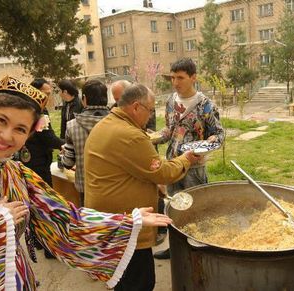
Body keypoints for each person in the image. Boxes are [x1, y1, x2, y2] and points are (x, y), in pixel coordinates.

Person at [0, 76, 172, 290]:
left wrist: (128, 221)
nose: (7, 135)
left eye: (20, 129)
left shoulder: (17, 173)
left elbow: (65, 220)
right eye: (1, 121)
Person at [84, 83, 201, 291]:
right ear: (136, 107)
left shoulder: (109, 123)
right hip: (126, 226)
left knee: (125, 279)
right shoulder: (129, 135)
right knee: (140, 282)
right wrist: (186, 159)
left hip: (111, 220)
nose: (150, 115)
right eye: (150, 109)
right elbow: (162, 172)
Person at [153, 58, 224, 260]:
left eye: (180, 78)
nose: (175, 82)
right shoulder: (170, 101)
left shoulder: (205, 105)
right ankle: (175, 248)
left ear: (193, 78)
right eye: (173, 78)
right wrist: (155, 137)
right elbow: (170, 130)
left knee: (198, 207)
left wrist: (210, 142)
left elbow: (219, 135)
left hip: (194, 168)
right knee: (174, 207)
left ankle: (200, 247)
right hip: (174, 166)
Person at [21, 78, 64, 259]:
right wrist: (65, 144)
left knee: (34, 203)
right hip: (36, 164)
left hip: (36, 161)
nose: (47, 96)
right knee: (44, 204)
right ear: (36, 92)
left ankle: (39, 241)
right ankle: (48, 246)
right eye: (45, 93)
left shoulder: (32, 108)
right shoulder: (35, 111)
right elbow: (48, 138)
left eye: (49, 93)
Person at [61, 79, 110, 206]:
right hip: (114, 187)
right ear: (106, 98)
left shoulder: (72, 126)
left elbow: (67, 163)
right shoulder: (118, 122)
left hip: (86, 188)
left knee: (92, 224)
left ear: (84, 99)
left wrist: (63, 155)